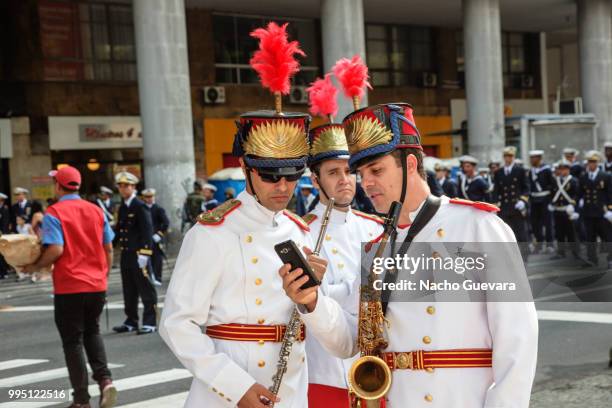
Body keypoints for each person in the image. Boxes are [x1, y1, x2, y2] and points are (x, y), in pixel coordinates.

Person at [280, 102, 538, 407]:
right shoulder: (376, 249)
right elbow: (353, 339)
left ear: (412, 164)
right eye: (361, 173)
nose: (366, 183)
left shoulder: (477, 228)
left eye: (376, 170)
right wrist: (312, 301)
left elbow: (518, 337)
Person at [160, 23, 326, 407]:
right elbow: (176, 323)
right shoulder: (213, 232)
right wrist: (234, 386)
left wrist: (312, 299)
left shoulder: (300, 230)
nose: (283, 187)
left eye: (292, 176)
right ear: (247, 170)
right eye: (270, 176)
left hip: (291, 386)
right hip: (227, 392)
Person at [303, 118, 383, 406]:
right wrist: (354, 290)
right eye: (333, 172)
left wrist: (343, 292)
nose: (344, 180)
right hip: (326, 374)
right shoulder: (302, 232)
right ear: (315, 180)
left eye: (349, 171)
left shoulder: (375, 228)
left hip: (375, 371)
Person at [22, 165, 117, 408]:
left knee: (73, 342)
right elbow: (108, 249)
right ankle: (105, 380)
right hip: (96, 285)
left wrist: (35, 267)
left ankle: (81, 400)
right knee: (93, 332)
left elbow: (55, 249)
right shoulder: (96, 210)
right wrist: (102, 276)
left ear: (58, 186)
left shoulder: (54, 212)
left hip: (70, 286)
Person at [112, 172, 157, 335]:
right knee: (128, 289)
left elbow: (147, 230)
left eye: (126, 186)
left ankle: (150, 321)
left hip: (139, 254)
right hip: (126, 254)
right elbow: (119, 230)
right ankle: (131, 320)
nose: (123, 189)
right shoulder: (123, 207)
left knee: (146, 289)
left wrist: (145, 254)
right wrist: (108, 246)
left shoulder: (140, 205)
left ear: (133, 187)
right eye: (120, 186)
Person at [493, 146, 530, 259]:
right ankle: (509, 256)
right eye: (506, 156)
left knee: (520, 231)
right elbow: (496, 190)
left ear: (514, 157)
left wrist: (523, 200)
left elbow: (526, 188)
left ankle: (524, 255)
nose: (508, 158)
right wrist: (494, 205)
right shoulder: (498, 172)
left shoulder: (520, 170)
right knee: (506, 232)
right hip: (504, 206)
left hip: (516, 205)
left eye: (510, 156)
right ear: (504, 158)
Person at [578, 151, 612, 269]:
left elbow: (610, 194)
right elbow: (580, 193)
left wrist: (610, 209)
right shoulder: (583, 177)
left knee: (607, 236)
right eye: (589, 162)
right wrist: (579, 204)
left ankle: (610, 259)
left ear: (597, 163)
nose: (591, 164)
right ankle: (592, 259)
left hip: (602, 212)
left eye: (593, 162)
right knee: (590, 237)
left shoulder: (606, 176)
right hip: (588, 212)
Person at [549, 160, 581, 260]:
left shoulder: (573, 181)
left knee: (571, 233)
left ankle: (575, 252)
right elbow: (552, 194)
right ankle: (561, 252)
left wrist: (573, 205)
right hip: (558, 210)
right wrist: (551, 203)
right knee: (559, 233)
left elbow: (577, 194)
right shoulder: (556, 180)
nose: (562, 171)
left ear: (568, 169)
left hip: (568, 210)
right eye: (560, 169)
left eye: (564, 169)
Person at [528, 150, 555, 253]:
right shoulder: (531, 171)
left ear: (539, 158)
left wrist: (552, 201)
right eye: (531, 158)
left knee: (548, 223)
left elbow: (553, 185)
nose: (531, 160)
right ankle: (539, 244)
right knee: (535, 223)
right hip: (534, 199)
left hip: (545, 199)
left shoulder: (547, 170)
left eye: (534, 158)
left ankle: (550, 244)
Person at [141, 188, 169, 285]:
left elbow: (166, 223)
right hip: (145, 239)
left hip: (155, 238)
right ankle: (148, 278)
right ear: (144, 198)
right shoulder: (141, 209)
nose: (150, 199)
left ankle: (157, 277)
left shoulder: (158, 209)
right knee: (145, 258)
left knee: (157, 259)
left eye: (151, 196)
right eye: (147, 197)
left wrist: (159, 235)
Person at [0, 192, 9, 279]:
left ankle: (4, 271)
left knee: (3, 254)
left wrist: (3, 233)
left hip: (2, 235)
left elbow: (5, 223)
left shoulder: (4, 209)